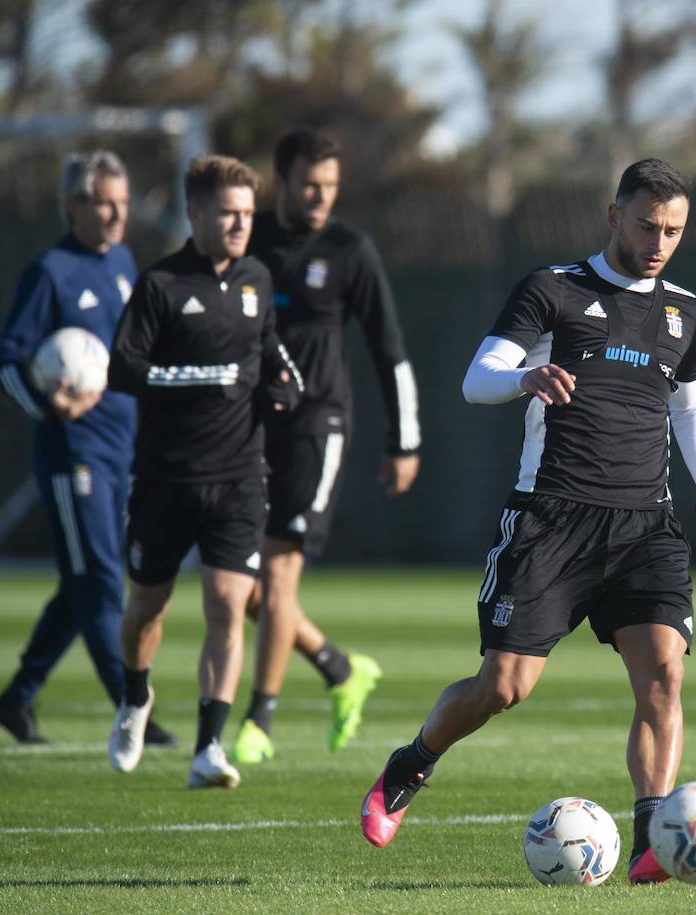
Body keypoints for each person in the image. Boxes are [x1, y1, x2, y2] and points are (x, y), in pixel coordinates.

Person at [358, 158, 696, 886]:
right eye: (649, 225)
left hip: (644, 527)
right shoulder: (552, 290)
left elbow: (688, 402)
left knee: (663, 674)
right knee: (503, 686)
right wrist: (523, 376)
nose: (660, 242)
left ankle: (653, 833)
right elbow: (476, 380)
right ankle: (409, 765)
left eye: (675, 230)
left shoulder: (684, 309)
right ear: (613, 214)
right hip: (550, 522)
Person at [105, 154, 303, 789]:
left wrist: (284, 386)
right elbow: (123, 369)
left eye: (248, 213)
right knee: (146, 606)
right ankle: (136, 697)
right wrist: (203, 379)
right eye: (228, 212)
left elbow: (273, 357)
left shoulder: (255, 278)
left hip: (240, 476)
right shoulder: (160, 285)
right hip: (165, 479)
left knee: (227, 602)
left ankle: (208, 747)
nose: (242, 223)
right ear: (195, 214)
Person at [230, 127, 420, 766]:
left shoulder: (349, 249)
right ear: (280, 181)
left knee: (278, 575)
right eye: (310, 184)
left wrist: (405, 442)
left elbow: (389, 351)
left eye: (332, 187)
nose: (321, 197)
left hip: (319, 426)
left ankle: (258, 721)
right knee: (241, 583)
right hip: (247, 427)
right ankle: (341, 670)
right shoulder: (243, 236)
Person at [0, 150, 175, 749]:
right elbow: (7, 359)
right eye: (105, 202)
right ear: (74, 206)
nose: (119, 212)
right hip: (75, 455)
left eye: (122, 200)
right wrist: (50, 407)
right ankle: (133, 707)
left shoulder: (121, 261)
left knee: (84, 581)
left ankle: (17, 698)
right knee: (99, 581)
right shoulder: (50, 273)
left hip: (125, 449)